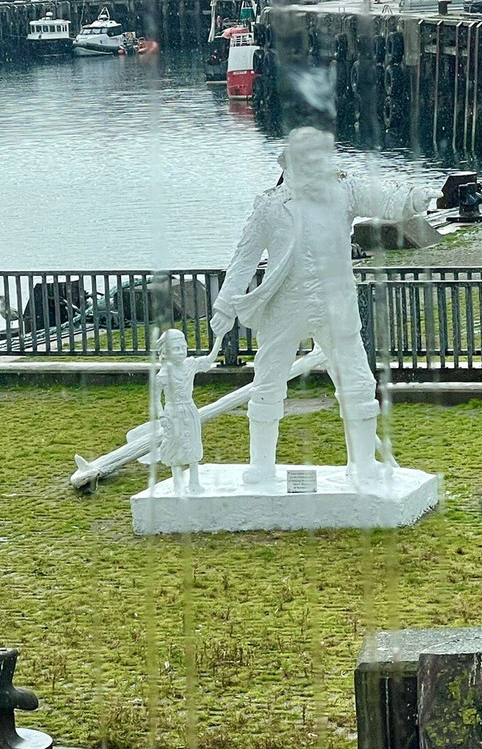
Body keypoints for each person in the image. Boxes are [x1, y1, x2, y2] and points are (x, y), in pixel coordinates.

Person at [209, 127, 430, 486]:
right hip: (285, 305)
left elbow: (381, 196)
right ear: (290, 162)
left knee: (358, 383)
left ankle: (363, 466)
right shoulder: (269, 206)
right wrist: (224, 307)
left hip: (334, 304)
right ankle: (262, 465)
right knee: (267, 380)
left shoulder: (344, 192)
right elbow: (244, 258)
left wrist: (414, 198)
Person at [155, 329, 220, 494]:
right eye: (176, 349)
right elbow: (155, 400)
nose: (181, 352)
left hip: (190, 410)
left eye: (183, 348)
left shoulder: (190, 365)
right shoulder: (162, 375)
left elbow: (210, 358)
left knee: (193, 445)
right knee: (174, 446)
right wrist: (161, 416)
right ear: (166, 352)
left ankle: (194, 482)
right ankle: (178, 485)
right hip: (172, 414)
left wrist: (220, 336)